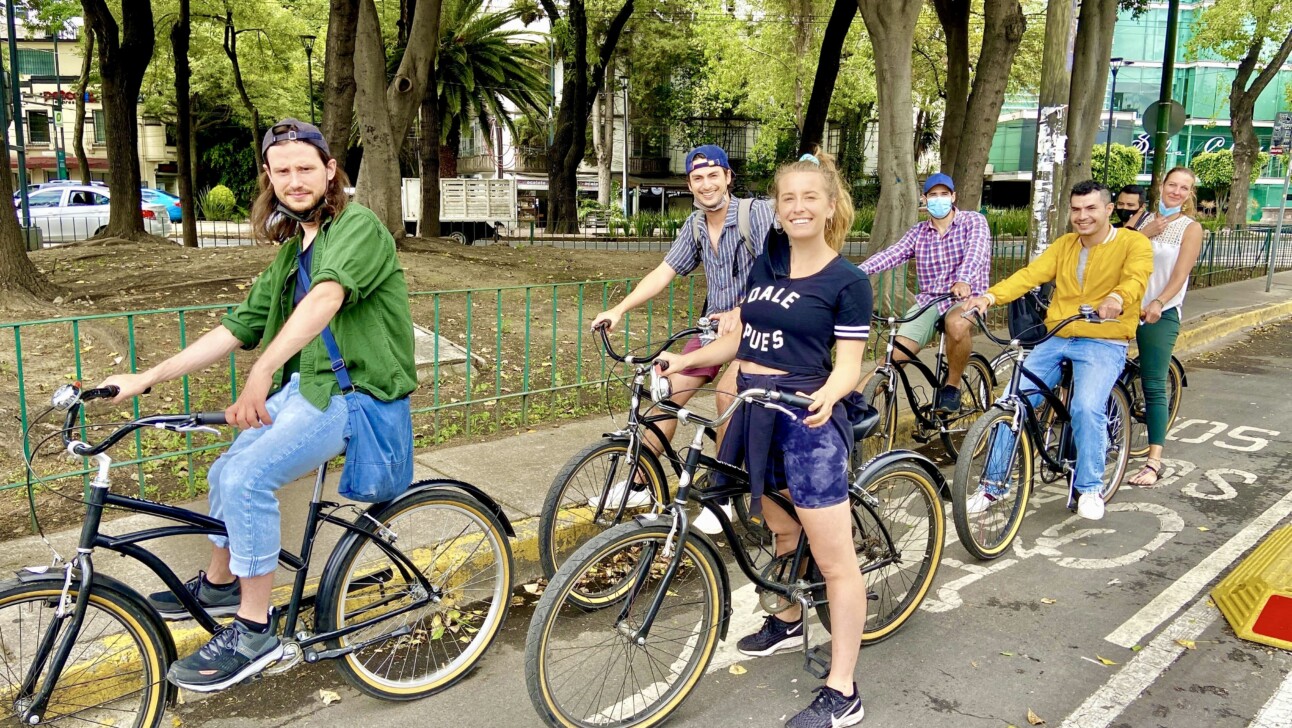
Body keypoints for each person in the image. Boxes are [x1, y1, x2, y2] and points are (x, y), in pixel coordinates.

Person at [99, 119, 417, 691]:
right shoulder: (293, 252)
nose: (296, 180)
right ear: (269, 177)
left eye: (306, 168)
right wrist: (146, 377)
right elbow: (236, 327)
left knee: (246, 477)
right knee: (225, 472)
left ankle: (255, 628)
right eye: (283, 170)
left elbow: (327, 297)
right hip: (308, 389)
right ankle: (222, 584)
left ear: (329, 171)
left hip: (353, 394)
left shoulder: (359, 227)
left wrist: (263, 370)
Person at [657, 151, 872, 728]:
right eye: (788, 199)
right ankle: (789, 620)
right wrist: (688, 357)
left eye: (810, 198)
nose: (798, 207)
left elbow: (850, 362)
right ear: (775, 210)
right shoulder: (768, 266)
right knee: (779, 525)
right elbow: (740, 345)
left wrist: (831, 392)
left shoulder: (847, 281)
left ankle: (843, 690)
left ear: (829, 208)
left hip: (808, 417)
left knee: (835, 562)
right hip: (756, 410)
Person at [589, 144, 775, 534]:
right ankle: (643, 481)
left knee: (731, 395)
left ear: (728, 178)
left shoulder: (753, 214)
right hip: (714, 330)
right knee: (666, 389)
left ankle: (722, 494)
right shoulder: (694, 225)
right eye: (697, 178)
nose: (706, 185)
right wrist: (619, 309)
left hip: (760, 326)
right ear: (690, 184)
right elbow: (663, 272)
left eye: (713, 175)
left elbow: (775, 269)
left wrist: (743, 310)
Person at [962, 179, 1152, 521]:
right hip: (1059, 335)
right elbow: (1029, 275)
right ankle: (992, 485)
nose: (1083, 216)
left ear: (1109, 210)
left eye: (1091, 208)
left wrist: (1116, 299)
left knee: (1086, 407)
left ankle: (1090, 487)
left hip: (1104, 339)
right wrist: (989, 297)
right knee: (1011, 401)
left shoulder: (1132, 243)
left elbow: (1136, 279)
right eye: (1077, 210)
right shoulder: (1065, 245)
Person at [856, 172, 990, 413]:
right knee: (895, 356)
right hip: (930, 300)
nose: (939, 199)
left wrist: (963, 279)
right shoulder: (919, 232)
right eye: (933, 195)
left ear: (953, 197)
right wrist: (857, 272)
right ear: (925, 199)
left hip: (967, 296)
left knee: (956, 325)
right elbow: (892, 254)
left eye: (944, 194)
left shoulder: (973, 221)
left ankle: (952, 386)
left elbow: (976, 252)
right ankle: (852, 405)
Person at [1127, 167, 1203, 486]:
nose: (1176, 191)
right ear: (1161, 185)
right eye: (1172, 184)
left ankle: (1153, 462)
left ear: (1189, 195)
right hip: (1125, 307)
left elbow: (1179, 275)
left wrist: (1158, 302)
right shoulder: (1142, 220)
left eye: (1184, 188)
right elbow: (1117, 252)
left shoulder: (1190, 228)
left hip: (1161, 311)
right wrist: (1144, 232)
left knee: (1154, 385)